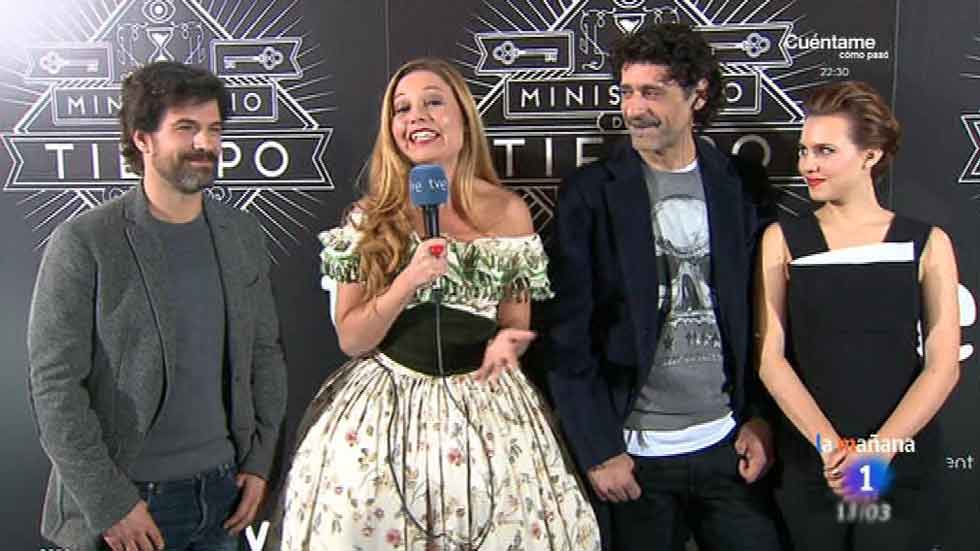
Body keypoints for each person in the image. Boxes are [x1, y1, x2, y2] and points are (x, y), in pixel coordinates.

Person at [275, 58, 600, 551]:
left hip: (484, 406)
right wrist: (409, 279)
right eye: (402, 108)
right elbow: (352, 338)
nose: (416, 117)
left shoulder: (510, 212)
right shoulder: (368, 219)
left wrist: (500, 357)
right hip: (385, 410)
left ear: (463, 117)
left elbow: (514, 323)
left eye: (433, 102)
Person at [26, 61, 288, 551]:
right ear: (142, 139)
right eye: (186, 128)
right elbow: (53, 386)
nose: (205, 144)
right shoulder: (85, 242)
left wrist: (259, 463)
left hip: (224, 498)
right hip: (130, 505)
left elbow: (265, 353)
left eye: (214, 129)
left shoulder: (241, 234)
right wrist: (110, 504)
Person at [547, 23, 782, 550]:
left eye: (652, 92)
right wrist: (598, 449)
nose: (634, 109)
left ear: (698, 93)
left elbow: (765, 316)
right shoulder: (590, 193)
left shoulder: (741, 184)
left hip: (728, 446)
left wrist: (762, 419)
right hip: (634, 460)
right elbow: (567, 333)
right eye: (627, 92)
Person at [755, 80, 960, 550]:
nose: (808, 164)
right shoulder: (782, 240)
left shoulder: (927, 243)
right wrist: (832, 450)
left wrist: (879, 452)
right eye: (805, 150)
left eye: (825, 151)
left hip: (902, 462)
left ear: (871, 155)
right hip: (813, 464)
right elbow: (771, 360)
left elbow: (943, 365)